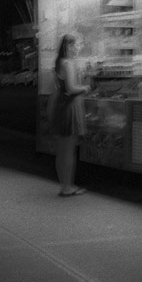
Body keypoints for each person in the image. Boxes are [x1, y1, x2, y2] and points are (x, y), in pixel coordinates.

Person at [52, 34, 91, 197]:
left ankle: (64, 185)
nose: (78, 48)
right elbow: (71, 88)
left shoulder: (59, 62)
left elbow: (61, 88)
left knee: (62, 151)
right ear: (69, 46)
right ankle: (67, 187)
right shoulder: (68, 63)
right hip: (70, 107)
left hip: (62, 106)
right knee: (69, 151)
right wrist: (85, 88)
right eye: (76, 45)